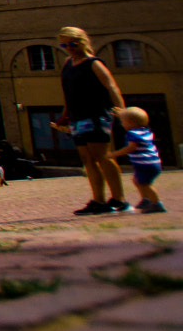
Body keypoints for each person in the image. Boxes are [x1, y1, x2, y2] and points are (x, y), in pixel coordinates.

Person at [50, 27, 128, 215]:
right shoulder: (68, 64)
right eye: (64, 44)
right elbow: (67, 93)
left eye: (72, 43)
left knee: (102, 156)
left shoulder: (94, 63)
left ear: (82, 41)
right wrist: (65, 116)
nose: (68, 48)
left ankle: (119, 199)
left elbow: (111, 87)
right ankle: (98, 200)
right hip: (78, 116)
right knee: (87, 159)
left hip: (96, 114)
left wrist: (122, 111)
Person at [116, 107, 168, 214]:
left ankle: (156, 203)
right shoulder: (145, 131)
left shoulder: (132, 133)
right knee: (137, 180)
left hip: (145, 164)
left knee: (145, 184)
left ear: (130, 122)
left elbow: (131, 147)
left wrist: (114, 154)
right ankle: (146, 200)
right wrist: (123, 114)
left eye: (123, 121)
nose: (122, 124)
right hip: (153, 163)